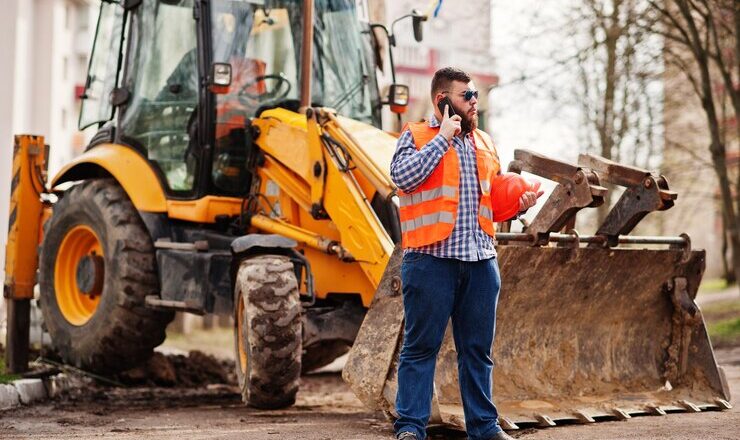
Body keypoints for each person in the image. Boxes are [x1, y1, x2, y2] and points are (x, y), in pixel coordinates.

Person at [389, 67, 542, 440]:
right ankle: (410, 428)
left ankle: (484, 427)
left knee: (477, 351)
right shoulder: (417, 135)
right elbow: (402, 179)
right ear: (443, 101)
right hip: (430, 262)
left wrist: (517, 205)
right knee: (420, 348)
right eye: (467, 96)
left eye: (475, 95)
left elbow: (487, 203)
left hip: (479, 262)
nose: (475, 102)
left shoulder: (485, 143)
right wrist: (442, 138)